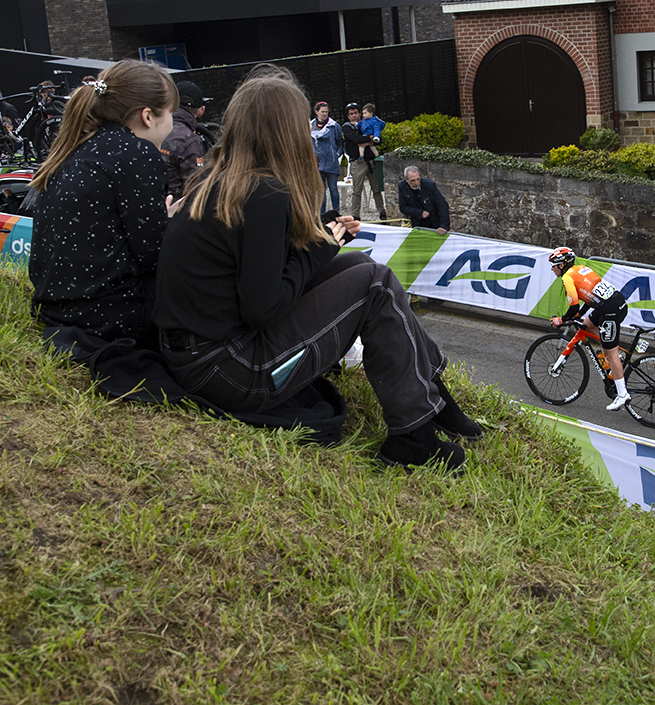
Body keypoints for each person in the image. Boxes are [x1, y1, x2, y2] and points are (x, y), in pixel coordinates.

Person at [153, 67, 479, 473]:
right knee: (372, 282)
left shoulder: (220, 181)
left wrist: (321, 240)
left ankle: (431, 396)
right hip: (231, 372)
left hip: (200, 357)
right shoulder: (264, 194)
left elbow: (255, 276)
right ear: (286, 131)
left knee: (359, 263)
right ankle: (413, 436)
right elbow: (263, 308)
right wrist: (321, 246)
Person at [27, 60, 180, 349]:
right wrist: (171, 223)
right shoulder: (137, 153)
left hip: (56, 312)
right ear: (148, 116)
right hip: (111, 320)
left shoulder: (75, 149)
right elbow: (155, 257)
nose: (173, 123)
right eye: (172, 113)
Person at [548, 247, 631, 410]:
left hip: (610, 311)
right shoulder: (582, 269)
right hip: (614, 302)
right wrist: (579, 314)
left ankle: (622, 395)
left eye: (553, 265)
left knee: (610, 352)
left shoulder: (567, 279)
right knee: (586, 324)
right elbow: (589, 297)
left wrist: (561, 320)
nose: (552, 269)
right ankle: (614, 353)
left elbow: (572, 308)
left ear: (561, 265)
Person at [160, 81, 206, 198]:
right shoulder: (189, 140)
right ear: (201, 110)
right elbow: (197, 186)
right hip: (176, 207)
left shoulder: (154, 127)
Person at [310, 101, 343, 213]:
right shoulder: (310, 126)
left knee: (333, 189)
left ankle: (336, 213)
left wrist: (337, 154)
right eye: (322, 112)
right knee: (321, 191)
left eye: (326, 112)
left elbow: (341, 143)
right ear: (316, 112)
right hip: (317, 164)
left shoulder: (334, 126)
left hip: (332, 163)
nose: (324, 114)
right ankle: (321, 215)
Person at [397, 165, 450, 234]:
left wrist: (444, 225)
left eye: (418, 179)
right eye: (412, 180)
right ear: (406, 180)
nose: (416, 183)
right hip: (416, 224)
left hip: (434, 221)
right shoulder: (402, 186)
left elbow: (442, 204)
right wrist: (420, 213)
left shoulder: (429, 185)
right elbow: (403, 207)